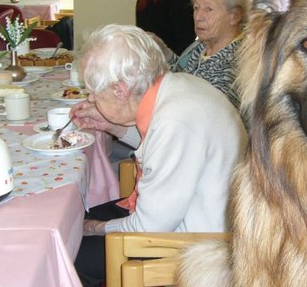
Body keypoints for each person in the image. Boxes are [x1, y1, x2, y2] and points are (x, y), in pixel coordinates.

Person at [71, 25, 247, 287]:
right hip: (183, 214)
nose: (91, 99)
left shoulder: (174, 121)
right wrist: (111, 125)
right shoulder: (175, 86)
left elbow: (149, 226)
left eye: (93, 94)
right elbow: (159, 149)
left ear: (120, 91)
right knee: (75, 219)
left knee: (74, 257)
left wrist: (95, 227)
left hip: (201, 245)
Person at [153, 0, 251, 109]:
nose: (198, 17)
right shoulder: (200, 46)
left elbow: (204, 110)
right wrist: (162, 50)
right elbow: (180, 71)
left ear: (234, 16)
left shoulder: (237, 65)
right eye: (196, 8)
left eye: (208, 9)